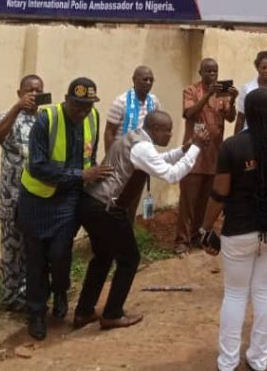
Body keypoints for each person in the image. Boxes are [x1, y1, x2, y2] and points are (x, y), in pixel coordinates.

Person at [76, 110, 206, 330]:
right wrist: (196, 148)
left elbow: (157, 161)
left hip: (92, 203)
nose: (170, 134)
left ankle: (84, 312)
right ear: (155, 129)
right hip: (107, 208)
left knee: (103, 257)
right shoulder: (142, 147)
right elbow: (172, 175)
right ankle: (112, 314)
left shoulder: (134, 138)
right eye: (167, 130)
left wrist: (183, 150)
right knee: (129, 260)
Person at [199, 89, 267, 371]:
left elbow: (219, 194)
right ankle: (258, 358)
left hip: (239, 230)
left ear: (246, 111)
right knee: (265, 292)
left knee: (235, 294)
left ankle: (228, 362)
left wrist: (205, 227)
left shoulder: (232, 147)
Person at [18, 77, 110, 340]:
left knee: (60, 254)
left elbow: (90, 160)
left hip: (68, 200)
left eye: (88, 106)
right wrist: (81, 175)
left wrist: (87, 181)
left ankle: (60, 290)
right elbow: (37, 166)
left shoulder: (93, 117)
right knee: (35, 261)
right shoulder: (46, 119)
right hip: (36, 198)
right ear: (67, 100)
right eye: (78, 106)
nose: (82, 112)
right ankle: (36, 312)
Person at [0, 73, 45, 311]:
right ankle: (10, 298)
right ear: (19, 93)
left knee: (32, 249)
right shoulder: (8, 116)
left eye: (38, 90)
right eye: (29, 90)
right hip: (12, 196)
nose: (34, 94)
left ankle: (29, 294)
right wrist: (16, 108)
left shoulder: (45, 119)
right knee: (12, 250)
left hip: (37, 197)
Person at [175, 58, 237, 255]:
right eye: (208, 72)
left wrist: (232, 99)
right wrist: (208, 94)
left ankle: (196, 236)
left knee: (205, 199)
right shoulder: (191, 91)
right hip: (194, 155)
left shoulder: (222, 95)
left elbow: (230, 117)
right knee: (188, 200)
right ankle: (181, 241)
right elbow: (189, 113)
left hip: (214, 156)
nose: (212, 75)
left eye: (215, 72)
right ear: (200, 72)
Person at [104, 66, 160, 152]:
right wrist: (110, 158)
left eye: (151, 80)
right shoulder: (121, 102)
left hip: (146, 155)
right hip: (123, 154)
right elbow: (109, 132)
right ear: (134, 80)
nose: (148, 83)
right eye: (145, 79)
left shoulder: (154, 101)